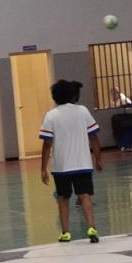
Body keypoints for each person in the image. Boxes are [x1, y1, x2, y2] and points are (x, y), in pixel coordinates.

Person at [40, 79, 103, 243]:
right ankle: (91, 227)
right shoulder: (83, 111)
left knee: (63, 198)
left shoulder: (51, 115)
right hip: (83, 164)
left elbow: (47, 144)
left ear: (54, 96)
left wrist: (43, 168)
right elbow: (94, 137)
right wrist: (98, 158)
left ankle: (66, 232)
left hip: (61, 166)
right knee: (85, 195)